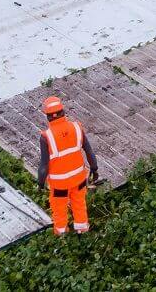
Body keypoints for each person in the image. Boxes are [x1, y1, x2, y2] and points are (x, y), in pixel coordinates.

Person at [37, 96, 99, 235]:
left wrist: (40, 183)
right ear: (63, 112)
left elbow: (44, 166)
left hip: (60, 185)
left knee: (59, 209)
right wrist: (94, 169)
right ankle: (82, 230)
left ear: (48, 117)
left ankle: (62, 235)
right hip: (79, 180)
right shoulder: (77, 128)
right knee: (79, 204)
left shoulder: (46, 137)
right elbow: (89, 151)